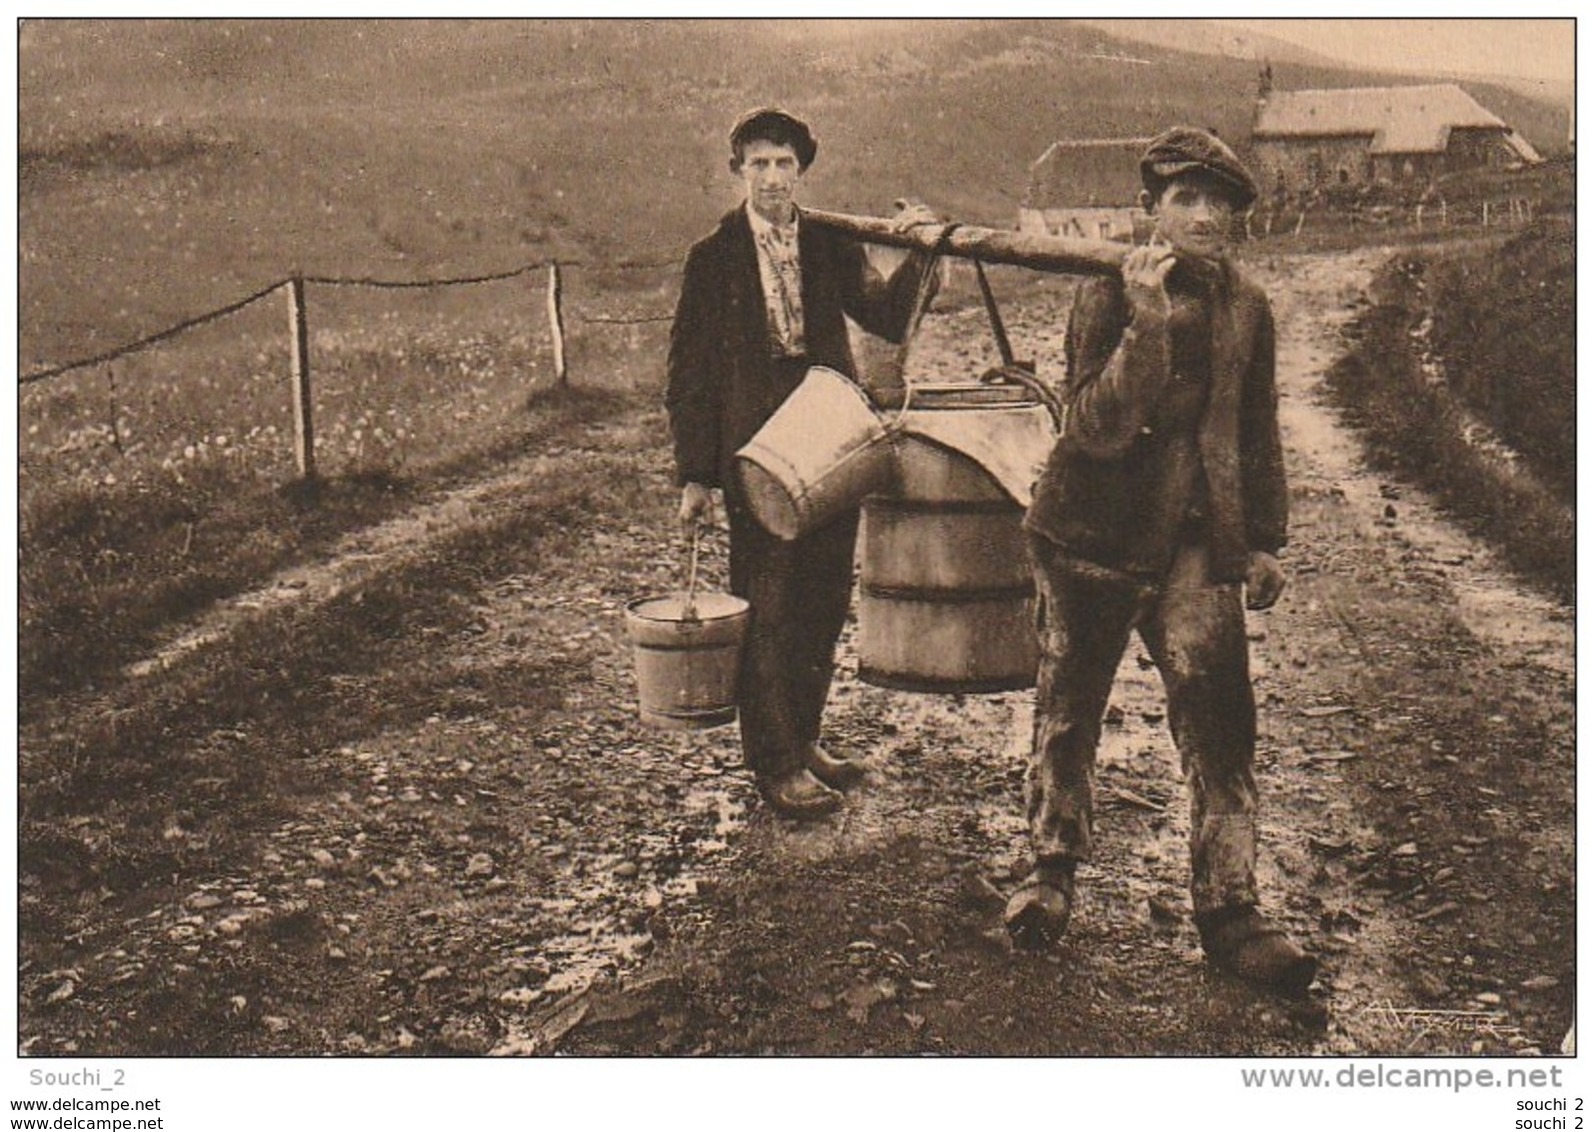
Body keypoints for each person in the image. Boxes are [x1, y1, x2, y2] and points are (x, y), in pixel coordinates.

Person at [1004, 126, 1318, 994]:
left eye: (1222, 203)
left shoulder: (1249, 305)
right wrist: (1144, 324)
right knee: (1068, 713)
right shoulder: (1110, 293)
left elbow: (1256, 430)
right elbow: (1096, 428)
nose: (1206, 217)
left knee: (1221, 728)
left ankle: (1230, 910)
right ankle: (1050, 875)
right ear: (1152, 210)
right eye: (1187, 200)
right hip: (1092, 543)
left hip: (1194, 550)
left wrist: (1264, 541)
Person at [665, 107, 939, 820]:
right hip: (758, 446)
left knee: (823, 595)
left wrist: (922, 250)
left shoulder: (828, 242)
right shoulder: (713, 257)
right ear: (738, 172)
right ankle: (775, 763)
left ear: (803, 170)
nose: (773, 177)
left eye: (785, 163)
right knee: (770, 601)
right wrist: (697, 474)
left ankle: (805, 738)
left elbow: (884, 314)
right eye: (759, 163)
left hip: (829, 430)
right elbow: (690, 373)